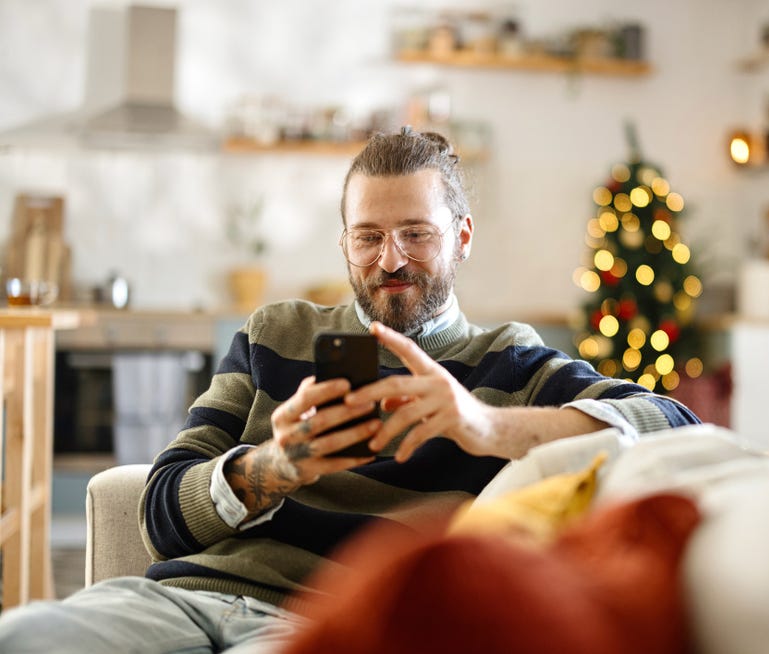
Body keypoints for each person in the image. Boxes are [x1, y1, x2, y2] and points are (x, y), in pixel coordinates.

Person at [0, 127, 699, 653]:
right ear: (343, 244)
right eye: (368, 236)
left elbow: (672, 421)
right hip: (182, 600)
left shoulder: (509, 361)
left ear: (462, 237)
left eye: (415, 235)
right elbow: (160, 512)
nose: (390, 260)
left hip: (320, 623)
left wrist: (485, 427)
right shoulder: (276, 332)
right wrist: (269, 469)